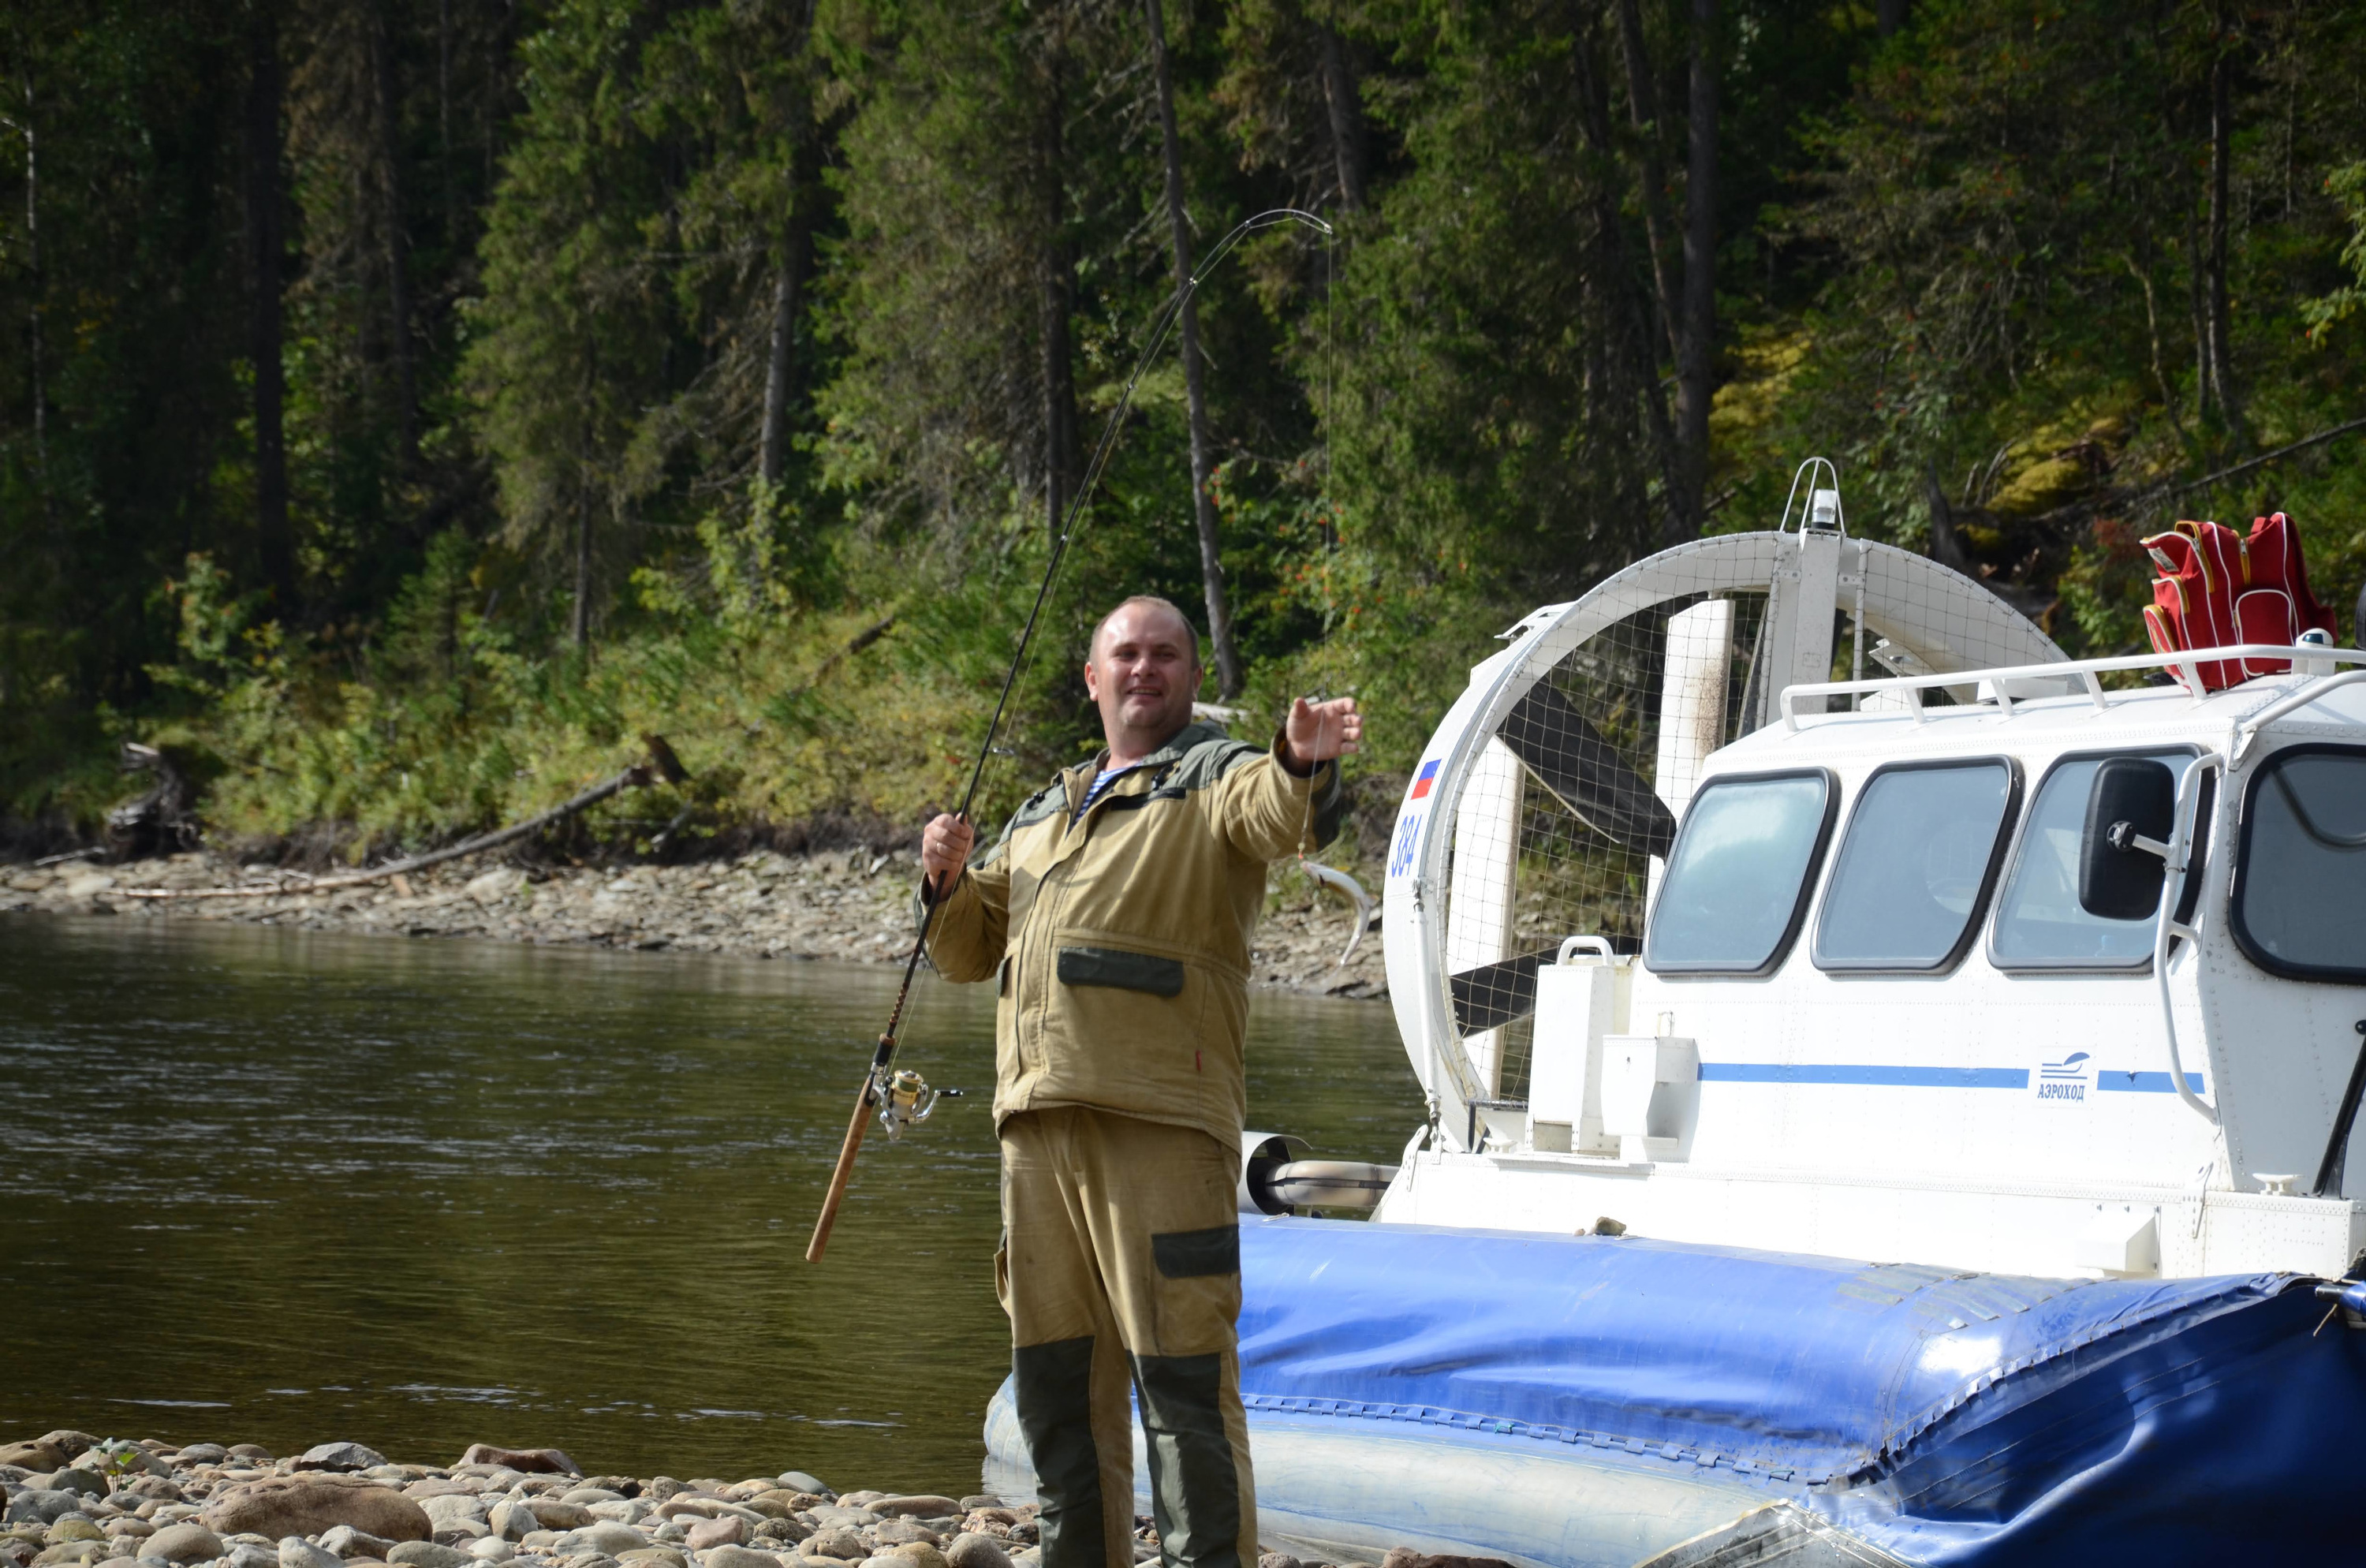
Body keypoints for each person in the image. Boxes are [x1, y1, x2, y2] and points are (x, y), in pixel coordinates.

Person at [920, 595, 1362, 1568]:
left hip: (1162, 1125)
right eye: (1125, 653)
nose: (1144, 668)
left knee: (1183, 1388)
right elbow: (964, 950)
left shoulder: (1215, 776)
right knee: (1056, 1394)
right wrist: (945, 880)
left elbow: (1284, 815)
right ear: (1093, 677)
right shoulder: (1046, 807)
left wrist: (1304, 761)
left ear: (1192, 677)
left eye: (1166, 654)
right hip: (1036, 1131)